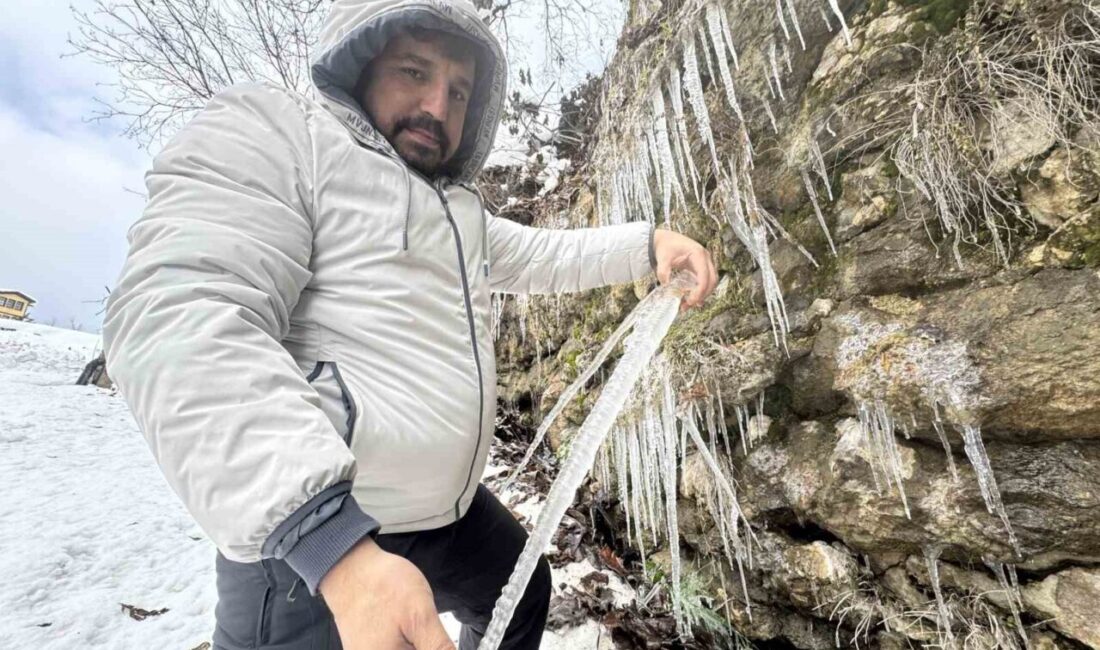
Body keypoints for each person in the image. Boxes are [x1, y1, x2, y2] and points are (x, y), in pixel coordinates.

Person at [102, 0, 717, 648]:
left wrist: (648, 246)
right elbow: (180, 313)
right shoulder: (282, 136)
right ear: (361, 60)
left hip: (443, 516)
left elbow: (542, 255)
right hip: (313, 541)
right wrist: (334, 549)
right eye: (414, 71)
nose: (438, 106)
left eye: (458, 90)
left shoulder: (456, 212)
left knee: (522, 588)